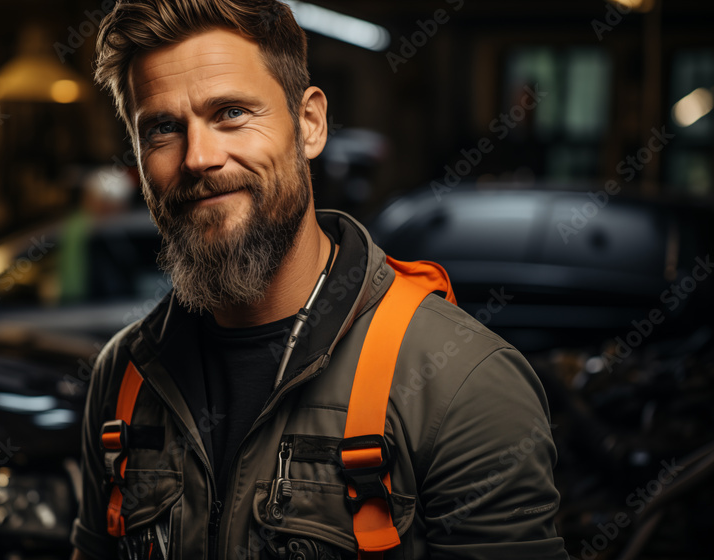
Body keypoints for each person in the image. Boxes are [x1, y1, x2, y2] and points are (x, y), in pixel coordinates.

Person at [71, 1, 568, 558]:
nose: (199, 158)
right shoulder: (124, 376)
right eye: (163, 128)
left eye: (232, 112)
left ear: (309, 124)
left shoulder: (459, 382)